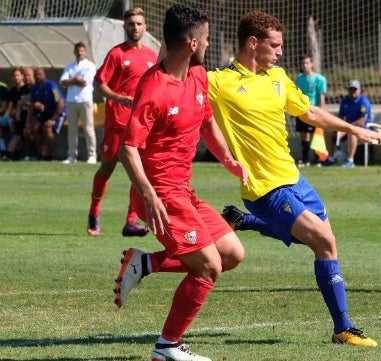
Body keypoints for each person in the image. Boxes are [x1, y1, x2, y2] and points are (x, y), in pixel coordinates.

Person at [209, 10, 381, 346]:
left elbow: (309, 112)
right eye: (274, 45)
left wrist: (352, 128)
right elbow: (177, 87)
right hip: (263, 188)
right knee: (324, 242)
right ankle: (343, 328)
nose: (279, 52)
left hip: (294, 178)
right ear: (252, 43)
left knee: (322, 242)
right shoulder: (220, 83)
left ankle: (242, 221)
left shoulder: (278, 77)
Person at [116, 5, 247, 361]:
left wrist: (228, 159)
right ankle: (167, 347)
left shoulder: (199, 76)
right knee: (208, 267)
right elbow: (128, 150)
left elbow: (207, 123)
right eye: (205, 38)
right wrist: (148, 195)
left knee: (232, 254)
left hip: (184, 191)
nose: (208, 43)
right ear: (191, 42)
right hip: (161, 194)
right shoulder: (154, 88)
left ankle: (145, 264)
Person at [89, 7, 158, 236]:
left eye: (139, 23)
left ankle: (131, 221)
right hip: (117, 122)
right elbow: (99, 84)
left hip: (141, 125)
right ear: (125, 27)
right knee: (107, 168)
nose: (135, 27)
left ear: (145, 26)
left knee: (139, 171)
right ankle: (94, 213)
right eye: (131, 24)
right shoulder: (117, 54)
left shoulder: (152, 56)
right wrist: (119, 98)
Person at [60, 41, 98, 164]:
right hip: (71, 100)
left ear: (85, 52)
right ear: (74, 52)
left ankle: (92, 155)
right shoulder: (70, 66)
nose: (79, 53)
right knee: (72, 129)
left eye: (81, 50)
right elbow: (63, 82)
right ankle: (72, 155)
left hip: (85, 99)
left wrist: (72, 81)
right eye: (77, 50)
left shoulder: (90, 65)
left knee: (88, 128)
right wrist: (75, 79)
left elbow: (84, 82)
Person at [322, 80, 372, 168]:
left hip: (362, 129)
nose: (352, 91)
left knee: (352, 132)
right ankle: (331, 158)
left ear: (360, 90)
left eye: (354, 89)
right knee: (328, 132)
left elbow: (362, 121)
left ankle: (350, 160)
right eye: (350, 89)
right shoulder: (345, 101)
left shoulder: (364, 102)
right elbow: (341, 117)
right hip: (347, 128)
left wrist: (347, 128)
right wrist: (339, 128)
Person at [23, 67, 65, 161]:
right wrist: (28, 122)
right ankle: (42, 153)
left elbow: (61, 103)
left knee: (47, 128)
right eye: (36, 75)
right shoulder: (35, 88)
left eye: (40, 74)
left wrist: (53, 119)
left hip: (58, 113)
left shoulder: (51, 86)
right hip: (46, 113)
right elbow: (32, 106)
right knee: (32, 129)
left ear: (44, 75)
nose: (38, 76)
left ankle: (53, 155)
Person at [294, 55, 327, 166]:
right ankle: (305, 160)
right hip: (302, 109)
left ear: (312, 64)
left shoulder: (319, 79)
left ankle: (318, 159)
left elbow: (321, 96)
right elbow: (297, 93)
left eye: (307, 63)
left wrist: (321, 112)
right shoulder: (300, 77)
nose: (305, 65)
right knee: (304, 134)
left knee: (316, 134)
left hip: (313, 109)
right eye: (303, 63)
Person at [6, 67, 34, 160]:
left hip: (31, 116)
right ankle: (10, 154)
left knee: (21, 133)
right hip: (22, 116)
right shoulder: (13, 90)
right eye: (14, 76)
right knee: (16, 131)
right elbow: (18, 103)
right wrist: (16, 114)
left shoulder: (29, 88)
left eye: (18, 75)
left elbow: (27, 103)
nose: (16, 78)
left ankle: (12, 154)